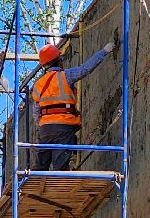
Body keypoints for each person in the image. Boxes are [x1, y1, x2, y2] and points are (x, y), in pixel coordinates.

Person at [28, 36, 114, 172]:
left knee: (41, 165)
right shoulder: (65, 76)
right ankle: (60, 184)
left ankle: (36, 184)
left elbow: (36, 111)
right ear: (59, 61)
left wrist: (44, 124)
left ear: (44, 65)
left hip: (45, 129)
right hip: (63, 127)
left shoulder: (38, 84)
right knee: (60, 166)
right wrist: (104, 51)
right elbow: (85, 69)